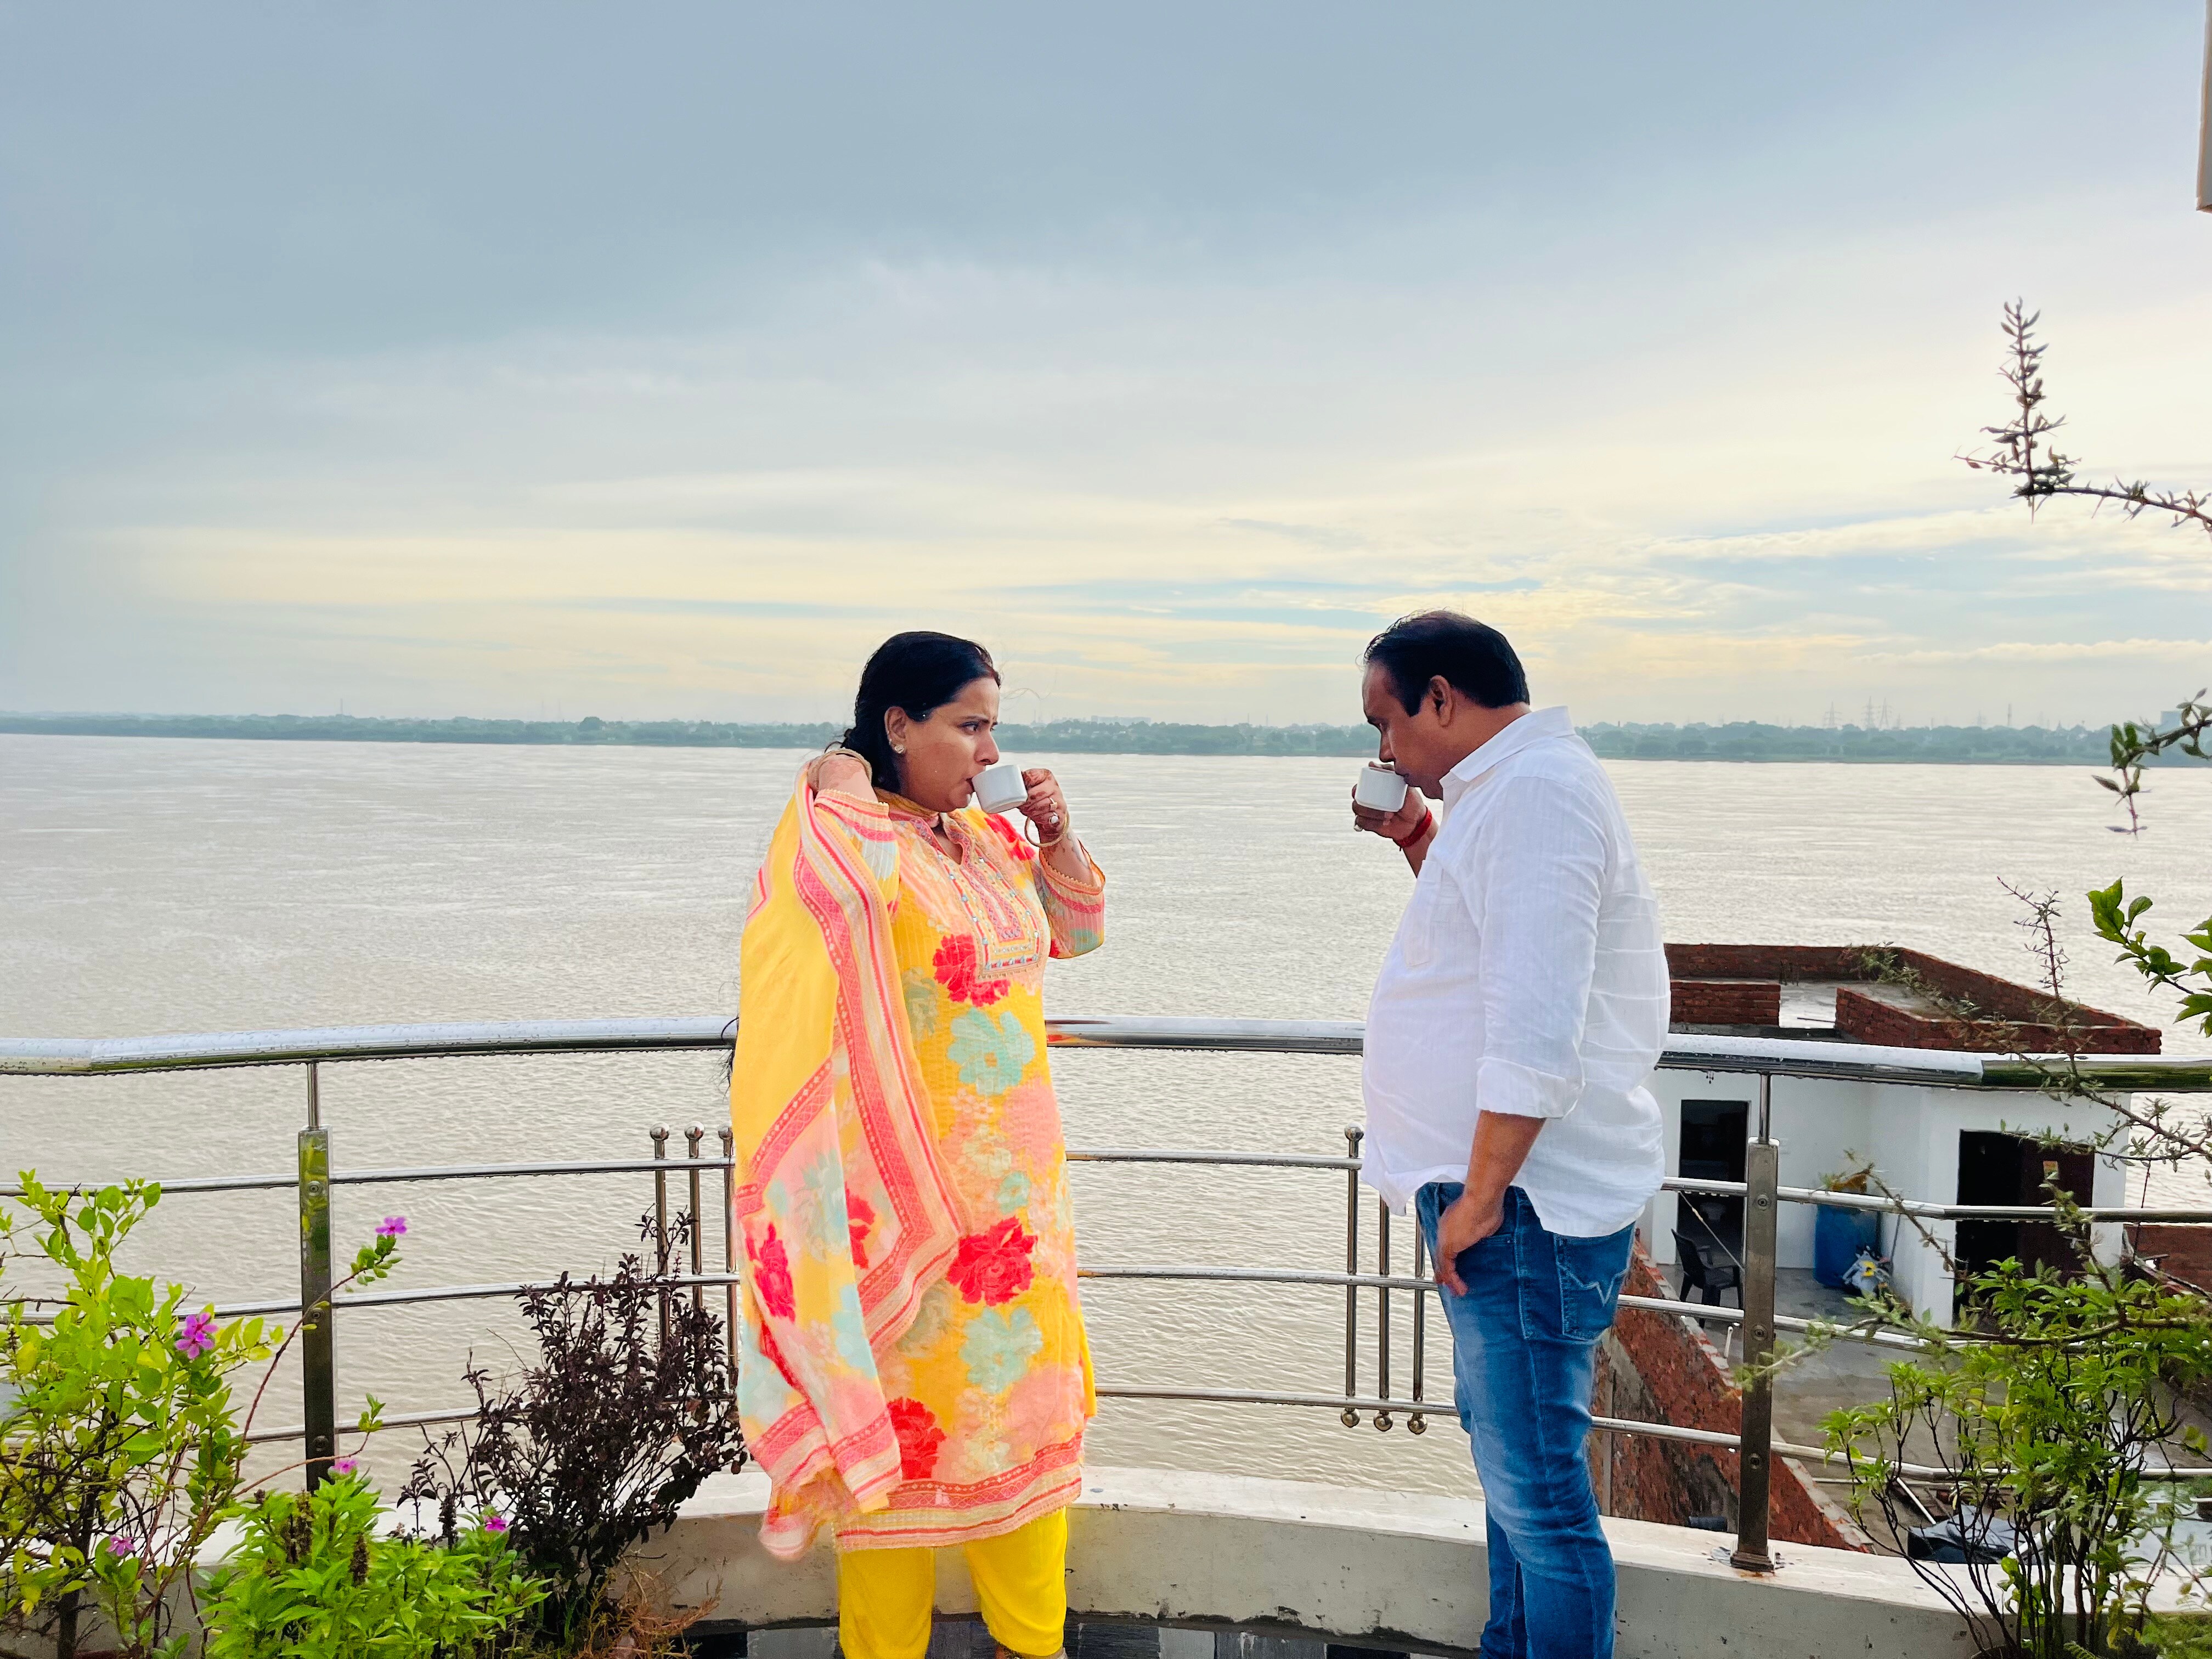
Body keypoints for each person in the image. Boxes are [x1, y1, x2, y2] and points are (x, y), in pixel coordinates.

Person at [729, 631, 1104, 1659]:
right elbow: (837, 898)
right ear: (899, 725)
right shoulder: (851, 838)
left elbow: (1077, 932)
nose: (990, 750)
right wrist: (841, 771)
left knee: (1026, 1444)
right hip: (906, 1215)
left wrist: (1058, 835)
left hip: (1021, 1217)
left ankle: (1035, 1647)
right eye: (969, 725)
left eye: (994, 727)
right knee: (894, 1469)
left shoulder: (982, 839)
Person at [1351, 611, 1668, 1659]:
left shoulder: (1537, 794)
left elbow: (1536, 1028)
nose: (1384, 751)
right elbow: (1487, 949)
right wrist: (1419, 841)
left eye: (1387, 722)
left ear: (1442, 698)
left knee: (1539, 1499)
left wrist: (1482, 1197)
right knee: (1512, 1474)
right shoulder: (1506, 793)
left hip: (1520, 1205)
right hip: (1504, 1197)